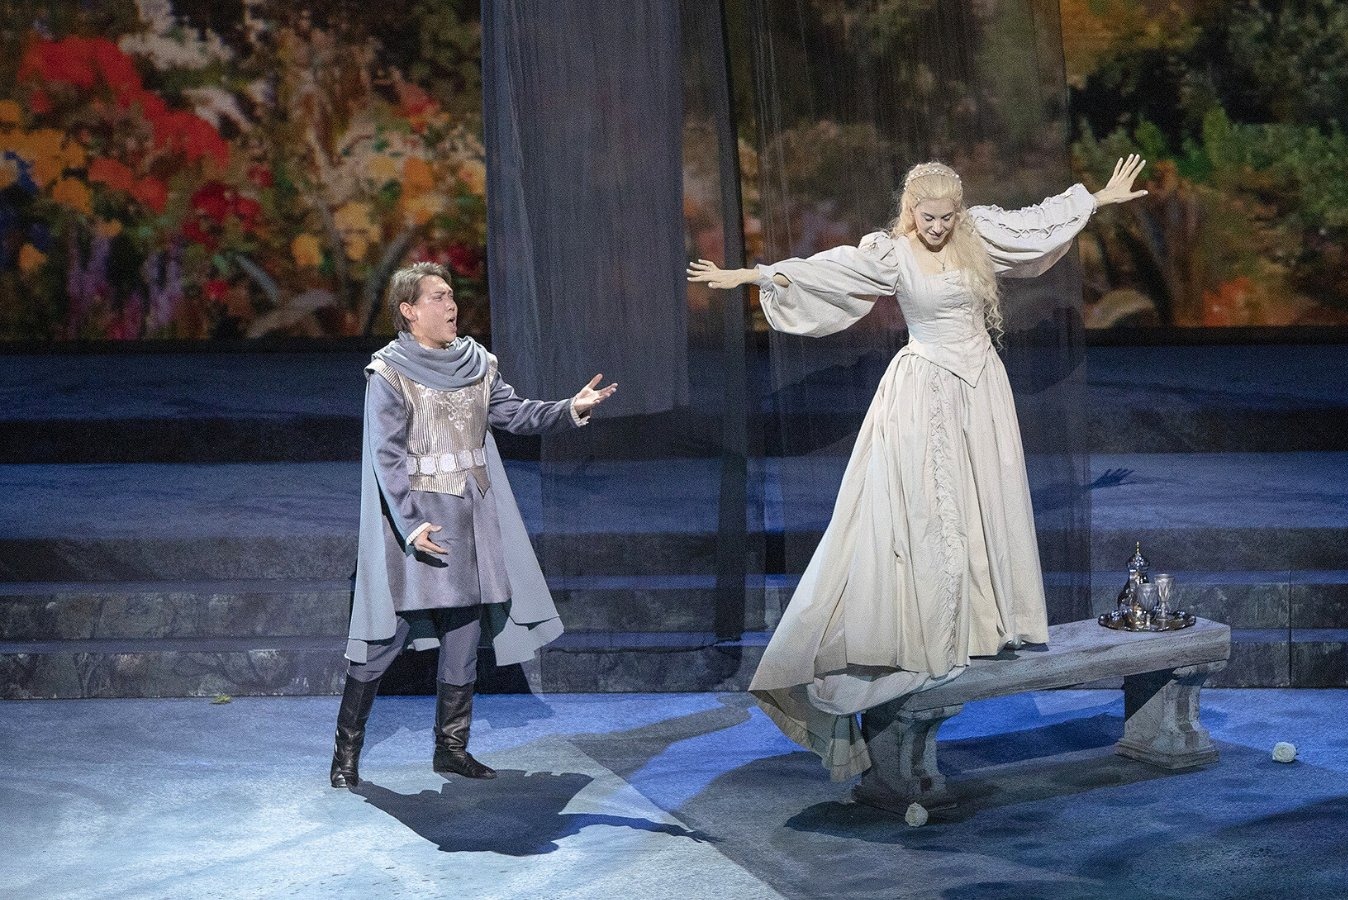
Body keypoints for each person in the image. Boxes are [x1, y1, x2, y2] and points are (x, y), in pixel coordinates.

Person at [688, 156, 1147, 779]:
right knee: (930, 508)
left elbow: (1035, 224)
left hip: (981, 387)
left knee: (984, 499)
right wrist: (751, 274)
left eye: (946, 217)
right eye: (928, 218)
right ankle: (927, 628)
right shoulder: (893, 253)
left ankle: (985, 624)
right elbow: (828, 270)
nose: (937, 227)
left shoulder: (978, 235)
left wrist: (1096, 199)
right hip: (925, 388)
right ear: (911, 211)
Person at [331, 261, 618, 789]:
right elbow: (386, 458)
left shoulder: (477, 363)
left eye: (451, 295)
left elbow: (514, 414)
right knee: (384, 640)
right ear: (409, 311)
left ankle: (452, 749)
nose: (451, 305)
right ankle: (345, 754)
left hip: (472, 522)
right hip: (421, 528)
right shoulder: (389, 373)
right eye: (437, 297)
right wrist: (410, 525)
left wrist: (568, 408)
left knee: (463, 641)